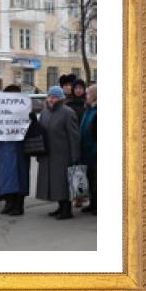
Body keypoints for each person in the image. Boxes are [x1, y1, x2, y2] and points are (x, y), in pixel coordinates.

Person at [36, 86, 81, 220]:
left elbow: (74, 137)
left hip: (63, 155)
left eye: (54, 97)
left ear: (61, 98)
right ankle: (60, 207)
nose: (51, 99)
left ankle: (66, 210)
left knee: (63, 183)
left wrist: (75, 156)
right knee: (54, 183)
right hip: (48, 154)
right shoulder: (44, 113)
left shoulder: (68, 113)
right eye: (49, 96)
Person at [0, 85, 30, 216]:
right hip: (3, 147)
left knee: (19, 177)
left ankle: (18, 205)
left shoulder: (24, 110)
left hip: (19, 148)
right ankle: (9, 202)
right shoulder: (1, 110)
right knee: (6, 176)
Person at [65, 78, 88, 208]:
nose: (79, 90)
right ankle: (76, 197)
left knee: (84, 169)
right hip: (72, 141)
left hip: (85, 140)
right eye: (77, 88)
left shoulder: (87, 103)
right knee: (75, 169)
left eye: (81, 88)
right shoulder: (68, 104)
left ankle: (84, 196)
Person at [80, 84, 97, 215]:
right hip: (87, 150)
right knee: (90, 178)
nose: (86, 96)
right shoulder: (88, 110)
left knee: (97, 180)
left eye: (88, 94)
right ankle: (92, 204)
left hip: (95, 151)